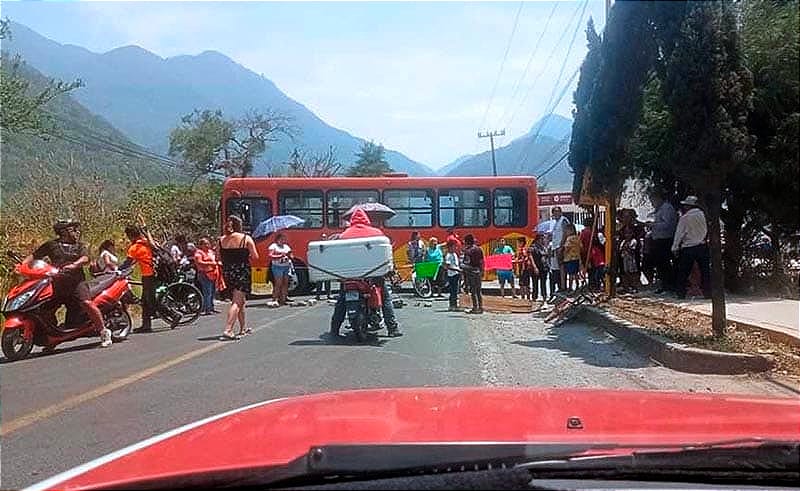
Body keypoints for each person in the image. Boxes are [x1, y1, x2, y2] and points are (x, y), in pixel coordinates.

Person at [27, 220, 111, 348]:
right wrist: (22, 265)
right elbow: (34, 256)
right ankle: (52, 337)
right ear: (63, 232)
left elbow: (85, 258)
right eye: (72, 230)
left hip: (76, 283)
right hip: (57, 284)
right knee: (44, 310)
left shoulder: (80, 246)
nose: (76, 232)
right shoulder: (51, 245)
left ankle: (103, 331)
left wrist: (75, 265)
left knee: (86, 303)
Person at [330, 208, 403, 337]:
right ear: (367, 220)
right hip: (373, 275)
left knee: (341, 300)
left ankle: (334, 329)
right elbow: (384, 256)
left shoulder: (344, 235)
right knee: (385, 298)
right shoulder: (377, 233)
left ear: (352, 220)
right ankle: (392, 328)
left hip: (350, 276)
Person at [219, 215, 259, 340]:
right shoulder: (246, 238)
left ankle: (242, 328)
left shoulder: (221, 240)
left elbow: (217, 258)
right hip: (242, 271)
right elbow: (255, 256)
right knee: (236, 302)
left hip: (228, 272)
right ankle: (228, 329)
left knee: (241, 301)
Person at [672, 195, 711, 299]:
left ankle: (681, 293)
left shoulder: (685, 218)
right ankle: (708, 292)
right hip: (702, 246)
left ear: (688, 206)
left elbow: (679, 233)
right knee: (705, 271)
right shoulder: (704, 215)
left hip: (688, 247)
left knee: (683, 272)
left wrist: (675, 247)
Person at [121, 225, 157, 334]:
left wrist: (117, 270)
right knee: (145, 301)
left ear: (130, 235)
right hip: (153, 273)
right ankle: (146, 325)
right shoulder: (145, 242)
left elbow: (127, 263)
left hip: (148, 275)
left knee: (150, 300)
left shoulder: (135, 247)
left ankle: (173, 314)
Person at [647, 191, 678, 293]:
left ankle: (669, 285)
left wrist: (653, 225)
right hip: (658, 240)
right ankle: (664, 285)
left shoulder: (666, 208)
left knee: (664, 264)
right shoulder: (659, 209)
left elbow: (667, 225)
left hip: (665, 240)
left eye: (653, 201)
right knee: (660, 264)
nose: (652, 203)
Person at [194, 238, 220, 315]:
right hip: (204, 274)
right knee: (207, 291)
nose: (207, 245)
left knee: (212, 291)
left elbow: (215, 259)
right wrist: (210, 263)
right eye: (205, 244)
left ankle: (211, 307)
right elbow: (199, 262)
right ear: (201, 245)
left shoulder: (211, 252)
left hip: (213, 273)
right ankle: (207, 309)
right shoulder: (199, 253)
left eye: (208, 244)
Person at [462, 234, 484, 314]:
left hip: (471, 272)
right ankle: (481, 307)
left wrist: (463, 267)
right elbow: (482, 261)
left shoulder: (468, 251)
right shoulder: (479, 249)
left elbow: (466, 263)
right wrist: (482, 271)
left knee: (473, 291)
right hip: (478, 271)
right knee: (479, 291)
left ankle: (475, 308)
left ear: (467, 241)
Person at [268, 233, 293, 306]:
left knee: (285, 283)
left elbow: (291, 255)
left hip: (286, 266)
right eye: (281, 239)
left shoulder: (286, 247)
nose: (283, 241)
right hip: (277, 266)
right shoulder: (273, 246)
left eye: (284, 239)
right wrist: (280, 255)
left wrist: (290, 256)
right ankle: (274, 299)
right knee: (278, 283)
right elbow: (270, 255)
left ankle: (284, 299)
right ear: (277, 239)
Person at [549, 206, 570, 291]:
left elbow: (565, 233)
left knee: (562, 267)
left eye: (558, 211)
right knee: (558, 267)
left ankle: (563, 286)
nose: (556, 213)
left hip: (560, 247)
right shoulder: (555, 223)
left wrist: (561, 245)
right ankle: (561, 285)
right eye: (554, 212)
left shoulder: (563, 220)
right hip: (555, 247)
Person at [620, 228, 640, 293]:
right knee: (626, 272)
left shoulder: (633, 241)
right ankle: (627, 287)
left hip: (631, 258)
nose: (627, 235)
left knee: (633, 273)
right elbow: (621, 249)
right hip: (625, 258)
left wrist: (626, 247)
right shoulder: (623, 241)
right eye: (626, 233)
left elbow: (632, 249)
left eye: (629, 233)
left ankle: (634, 287)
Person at [562, 224, 582, 292]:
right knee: (576, 273)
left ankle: (570, 287)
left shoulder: (569, 238)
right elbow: (581, 246)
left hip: (569, 258)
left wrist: (563, 253)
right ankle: (577, 284)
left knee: (570, 273)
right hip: (576, 257)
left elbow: (567, 247)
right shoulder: (577, 237)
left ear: (570, 230)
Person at [515, 237, 535, 301]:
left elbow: (524, 259)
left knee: (523, 284)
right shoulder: (523, 249)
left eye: (519, 242)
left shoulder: (523, 250)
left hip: (524, 269)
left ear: (522, 243)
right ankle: (527, 298)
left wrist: (517, 261)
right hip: (524, 269)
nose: (518, 244)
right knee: (525, 284)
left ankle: (524, 298)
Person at [443, 240, 461, 311]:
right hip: (452, 275)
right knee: (453, 291)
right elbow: (448, 266)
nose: (456, 248)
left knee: (455, 291)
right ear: (450, 247)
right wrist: (457, 270)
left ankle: (455, 305)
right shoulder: (448, 255)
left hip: (456, 274)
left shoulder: (455, 254)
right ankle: (452, 305)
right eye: (454, 246)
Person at [530, 234, 549, 302]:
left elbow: (546, 255)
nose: (544, 240)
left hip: (544, 268)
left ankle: (544, 298)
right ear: (538, 239)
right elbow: (530, 257)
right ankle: (534, 298)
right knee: (535, 284)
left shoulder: (543, 247)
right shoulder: (533, 247)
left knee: (543, 284)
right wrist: (535, 267)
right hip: (536, 268)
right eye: (542, 239)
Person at [315, 233, 332, 301]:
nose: (323, 238)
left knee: (327, 282)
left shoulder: (328, 246)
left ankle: (328, 295)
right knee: (319, 282)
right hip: (320, 266)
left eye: (324, 237)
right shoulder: (317, 246)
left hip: (326, 265)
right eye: (322, 237)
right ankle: (318, 295)